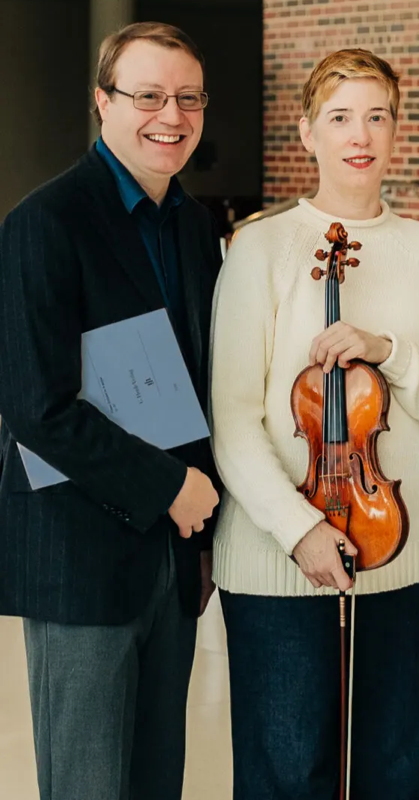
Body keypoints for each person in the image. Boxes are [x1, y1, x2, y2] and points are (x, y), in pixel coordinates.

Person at [208, 48, 419, 799]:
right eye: (339, 118)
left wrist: (389, 353)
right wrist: (297, 528)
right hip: (279, 566)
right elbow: (233, 421)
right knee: (286, 777)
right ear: (306, 133)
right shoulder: (260, 247)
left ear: (397, 130)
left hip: (406, 556)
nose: (358, 135)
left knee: (398, 775)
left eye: (376, 117)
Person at [0, 22, 221, 800]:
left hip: (172, 556)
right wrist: (168, 486)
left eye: (188, 98)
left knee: (158, 781)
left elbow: (195, 388)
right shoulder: (43, 223)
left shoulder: (195, 228)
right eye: (149, 95)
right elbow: (38, 407)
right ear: (103, 102)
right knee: (88, 787)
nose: (172, 114)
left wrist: (199, 536)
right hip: (78, 556)